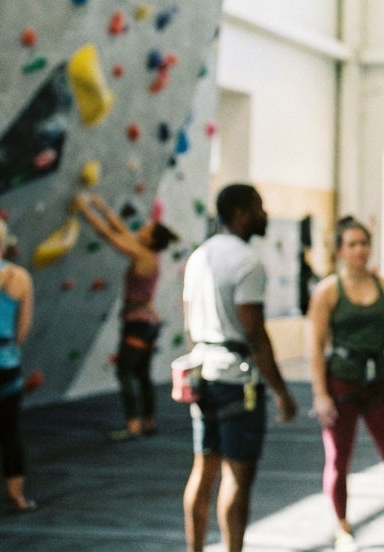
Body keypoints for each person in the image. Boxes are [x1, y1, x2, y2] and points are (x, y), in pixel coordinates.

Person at [180, 184, 298, 552]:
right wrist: (281, 391)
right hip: (236, 380)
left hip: (204, 372)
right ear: (242, 212)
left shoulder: (199, 257)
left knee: (203, 469)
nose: (265, 215)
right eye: (259, 207)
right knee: (236, 476)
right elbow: (255, 333)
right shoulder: (247, 262)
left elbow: (189, 322)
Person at [308, 217, 384, 550]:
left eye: (364, 242)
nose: (360, 250)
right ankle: (343, 526)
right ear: (340, 250)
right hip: (341, 384)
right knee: (339, 459)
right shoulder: (327, 292)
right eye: (352, 244)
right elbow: (316, 346)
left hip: (377, 384)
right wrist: (320, 394)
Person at [76, 193, 180, 440]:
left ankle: (134, 425)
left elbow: (110, 236)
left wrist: (85, 210)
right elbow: (120, 229)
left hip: (137, 323)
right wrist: (101, 204)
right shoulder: (148, 253)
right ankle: (148, 422)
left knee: (125, 372)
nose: (143, 228)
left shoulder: (143, 255)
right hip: (147, 323)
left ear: (152, 239)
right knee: (142, 374)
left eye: (148, 228)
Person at [0, 215, 34, 511]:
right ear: (2, 243)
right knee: (8, 432)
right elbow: (21, 331)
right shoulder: (18, 278)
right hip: (4, 363)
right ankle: (18, 498)